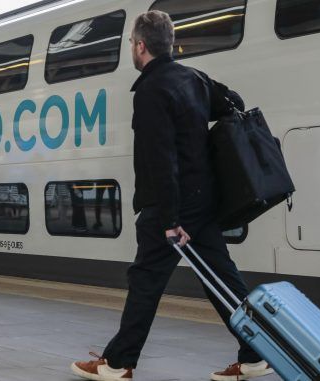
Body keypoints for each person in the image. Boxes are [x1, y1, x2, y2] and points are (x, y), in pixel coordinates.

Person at [71, 11, 274, 381]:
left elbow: (160, 160)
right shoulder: (193, 78)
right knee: (223, 280)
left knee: (145, 282)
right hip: (203, 201)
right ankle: (254, 354)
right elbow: (234, 100)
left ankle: (117, 364)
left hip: (172, 207)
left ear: (142, 46)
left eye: (132, 43)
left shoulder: (151, 90)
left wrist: (169, 220)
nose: (132, 48)